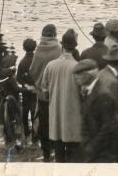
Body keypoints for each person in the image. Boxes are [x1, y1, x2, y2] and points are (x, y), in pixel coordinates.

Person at [73, 59, 118, 163]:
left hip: (102, 152)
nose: (75, 78)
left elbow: (108, 127)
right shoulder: (92, 90)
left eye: (78, 75)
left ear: (87, 75)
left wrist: (91, 147)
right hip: (95, 148)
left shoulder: (102, 95)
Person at [41, 29, 83, 162]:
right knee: (74, 153)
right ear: (75, 46)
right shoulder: (78, 67)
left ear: (62, 46)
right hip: (72, 116)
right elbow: (84, 93)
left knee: (58, 153)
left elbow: (44, 89)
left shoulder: (50, 66)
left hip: (56, 117)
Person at [29, 24, 62, 161]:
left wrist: (39, 82)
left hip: (42, 95)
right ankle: (57, 147)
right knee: (57, 121)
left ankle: (46, 152)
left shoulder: (38, 50)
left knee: (44, 123)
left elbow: (32, 70)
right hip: (56, 94)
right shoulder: (59, 50)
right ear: (54, 35)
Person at [17, 38, 38, 143]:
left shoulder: (22, 62)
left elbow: (18, 78)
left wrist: (25, 85)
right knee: (35, 113)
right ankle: (35, 136)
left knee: (25, 113)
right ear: (35, 47)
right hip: (36, 91)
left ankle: (26, 132)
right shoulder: (37, 60)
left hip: (25, 91)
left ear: (24, 48)